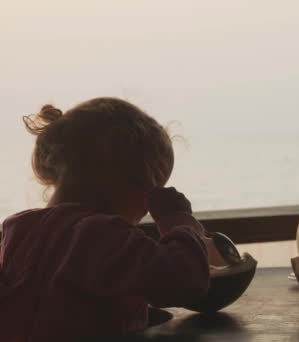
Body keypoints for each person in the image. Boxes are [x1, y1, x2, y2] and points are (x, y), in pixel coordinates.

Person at [0, 98, 213, 341]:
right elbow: (183, 282)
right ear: (129, 177)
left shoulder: (18, 229)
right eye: (152, 188)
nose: (147, 206)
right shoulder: (99, 233)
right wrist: (179, 221)